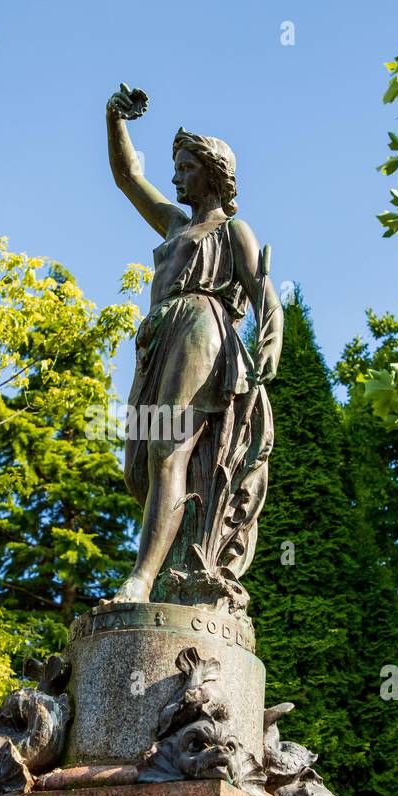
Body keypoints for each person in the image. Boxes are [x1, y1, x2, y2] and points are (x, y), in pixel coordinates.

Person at [106, 84, 283, 611]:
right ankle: (172, 566)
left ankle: (141, 579)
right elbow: (125, 177)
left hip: (203, 327)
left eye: (185, 166)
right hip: (158, 337)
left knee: (167, 447)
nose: (177, 175)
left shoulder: (233, 232)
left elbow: (264, 295)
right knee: (136, 466)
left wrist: (269, 343)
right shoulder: (177, 224)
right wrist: (115, 118)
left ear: (212, 172)